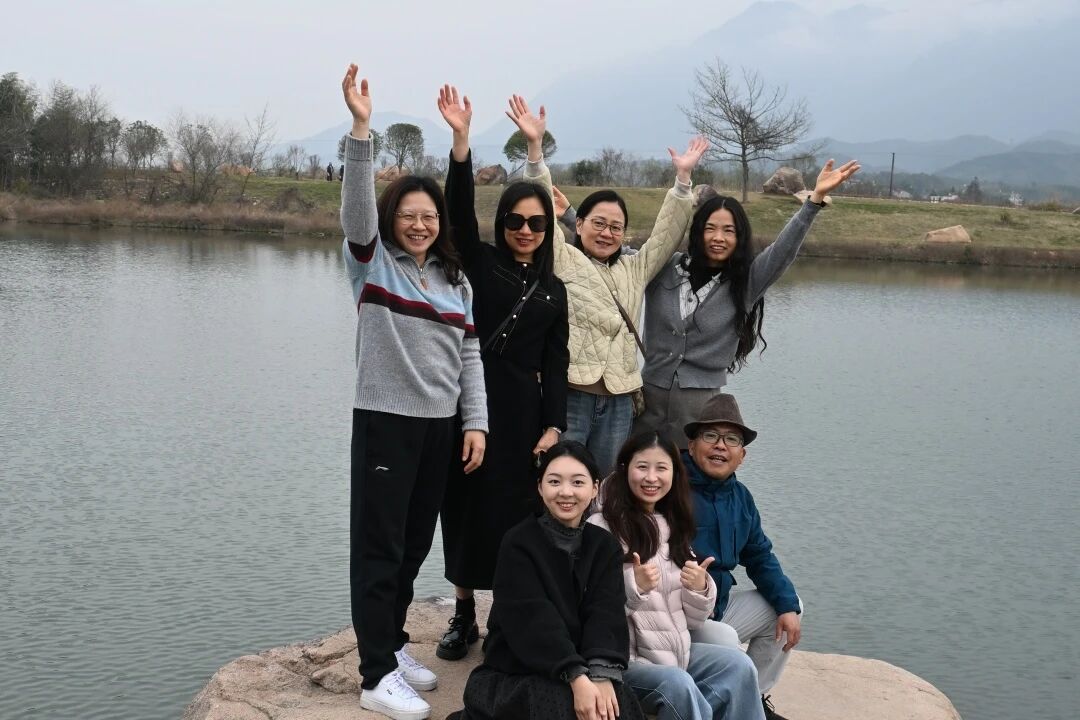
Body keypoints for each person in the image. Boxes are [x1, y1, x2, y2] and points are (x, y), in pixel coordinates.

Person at [340, 64, 488, 720]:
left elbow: (470, 354)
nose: (420, 225)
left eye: (429, 216)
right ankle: (375, 676)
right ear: (392, 220)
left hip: (439, 426)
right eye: (408, 215)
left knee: (414, 545)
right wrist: (361, 131)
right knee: (378, 549)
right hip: (386, 420)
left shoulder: (456, 281)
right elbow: (355, 210)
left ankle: (392, 644)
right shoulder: (372, 264)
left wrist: (475, 422)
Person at [434, 84, 570, 662]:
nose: (525, 230)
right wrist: (461, 143)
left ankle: (508, 615)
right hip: (470, 400)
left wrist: (555, 425)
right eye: (515, 219)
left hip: (523, 416)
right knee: (465, 507)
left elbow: (557, 362)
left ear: (547, 229)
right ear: (502, 222)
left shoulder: (554, 289)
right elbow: (458, 214)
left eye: (536, 223)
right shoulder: (481, 264)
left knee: (518, 516)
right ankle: (463, 612)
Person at [508, 95, 708, 475]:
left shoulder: (634, 268)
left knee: (605, 485)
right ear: (578, 223)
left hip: (619, 398)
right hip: (569, 393)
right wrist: (535, 150)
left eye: (616, 227)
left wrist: (682, 181)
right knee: (561, 480)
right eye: (598, 223)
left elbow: (666, 235)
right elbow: (540, 207)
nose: (607, 233)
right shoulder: (562, 257)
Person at [630, 160, 859, 446]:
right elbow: (614, 255)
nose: (718, 238)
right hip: (646, 402)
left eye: (729, 231)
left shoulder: (746, 281)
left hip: (701, 412)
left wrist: (813, 201)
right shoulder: (664, 267)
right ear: (698, 231)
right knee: (632, 467)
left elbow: (782, 252)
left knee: (693, 473)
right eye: (711, 228)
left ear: (739, 238)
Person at [447, 441, 645, 720]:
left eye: (578, 482)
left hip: (586, 667)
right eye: (554, 481)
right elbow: (531, 618)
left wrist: (601, 674)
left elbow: (606, 612)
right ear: (540, 487)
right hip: (518, 670)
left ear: (594, 488)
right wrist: (574, 675)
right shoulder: (518, 543)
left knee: (615, 704)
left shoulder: (605, 545)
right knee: (559, 704)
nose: (566, 492)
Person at [588, 431, 765, 720]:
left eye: (662, 468)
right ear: (624, 468)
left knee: (739, 665)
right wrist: (633, 587)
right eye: (642, 467)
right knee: (678, 684)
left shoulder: (672, 524)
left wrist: (699, 589)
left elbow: (694, 621)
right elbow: (591, 612)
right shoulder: (602, 526)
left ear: (674, 474)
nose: (651, 478)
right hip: (625, 662)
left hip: (674, 654)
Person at [682, 393, 802, 720]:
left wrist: (787, 604)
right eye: (710, 435)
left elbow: (760, 556)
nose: (720, 446)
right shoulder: (671, 489)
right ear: (691, 446)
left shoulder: (741, 497)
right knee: (725, 638)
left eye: (731, 439)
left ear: (742, 456)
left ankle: (753, 698)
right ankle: (722, 702)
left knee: (788, 607)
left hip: (718, 608)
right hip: (680, 618)